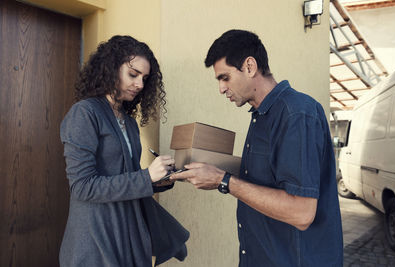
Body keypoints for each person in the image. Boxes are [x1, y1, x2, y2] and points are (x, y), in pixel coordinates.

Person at [171, 29, 343, 266]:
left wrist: (223, 180)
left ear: (250, 67)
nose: (221, 88)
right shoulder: (261, 114)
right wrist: (203, 166)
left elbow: (302, 212)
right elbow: (267, 174)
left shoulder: (297, 114)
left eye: (225, 78)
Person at [59, 35, 189, 267]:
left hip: (129, 232)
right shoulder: (85, 113)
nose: (139, 84)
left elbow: (125, 176)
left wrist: (159, 180)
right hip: (96, 236)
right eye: (133, 74)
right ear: (110, 69)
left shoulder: (128, 122)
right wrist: (146, 176)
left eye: (145, 78)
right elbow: (82, 187)